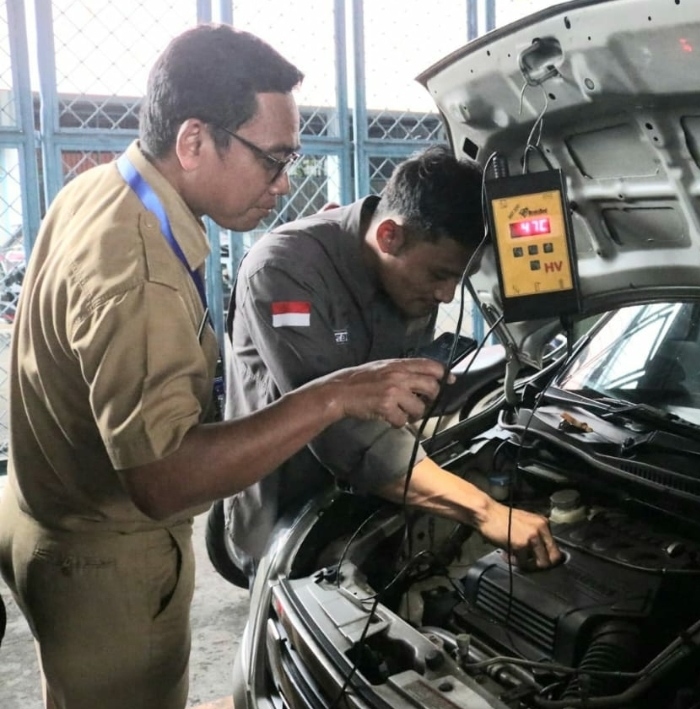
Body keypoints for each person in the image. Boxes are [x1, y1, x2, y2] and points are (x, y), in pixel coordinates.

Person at [0, 25, 449, 709]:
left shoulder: (104, 190)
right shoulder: (140, 269)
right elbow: (163, 478)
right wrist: (332, 396)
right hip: (104, 562)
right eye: (272, 159)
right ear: (193, 141)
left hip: (43, 510)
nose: (284, 182)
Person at [220, 145, 561, 581]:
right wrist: (485, 510)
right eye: (440, 275)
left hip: (371, 498)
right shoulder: (284, 269)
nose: (447, 296)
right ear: (389, 236)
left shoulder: (407, 275)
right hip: (287, 513)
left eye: (460, 278)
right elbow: (338, 427)